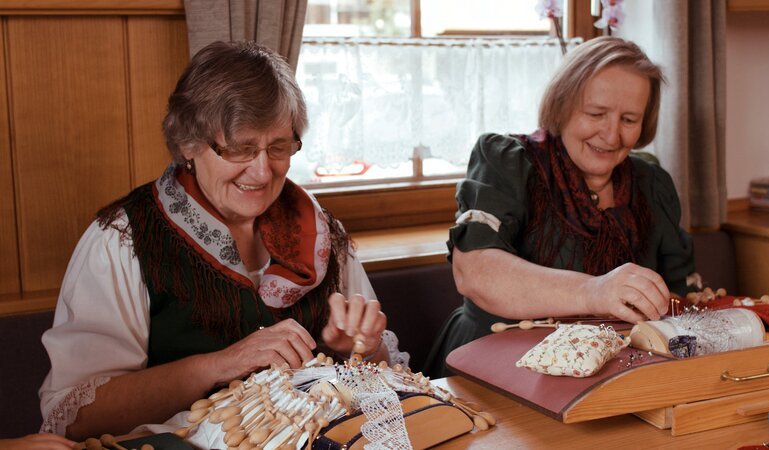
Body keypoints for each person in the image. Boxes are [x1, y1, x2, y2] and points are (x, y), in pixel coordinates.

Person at [39, 41, 408, 440]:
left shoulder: (321, 232)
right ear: (188, 144)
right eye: (240, 148)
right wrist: (218, 365)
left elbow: (387, 381)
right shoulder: (122, 241)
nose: (263, 172)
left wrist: (362, 348)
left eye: (279, 147)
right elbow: (75, 418)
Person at [424, 37, 695, 378]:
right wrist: (596, 291)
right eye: (596, 114)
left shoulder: (652, 183)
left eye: (629, 120)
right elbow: (474, 272)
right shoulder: (506, 162)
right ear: (562, 105)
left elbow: (681, 299)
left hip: (613, 376)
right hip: (495, 366)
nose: (611, 136)